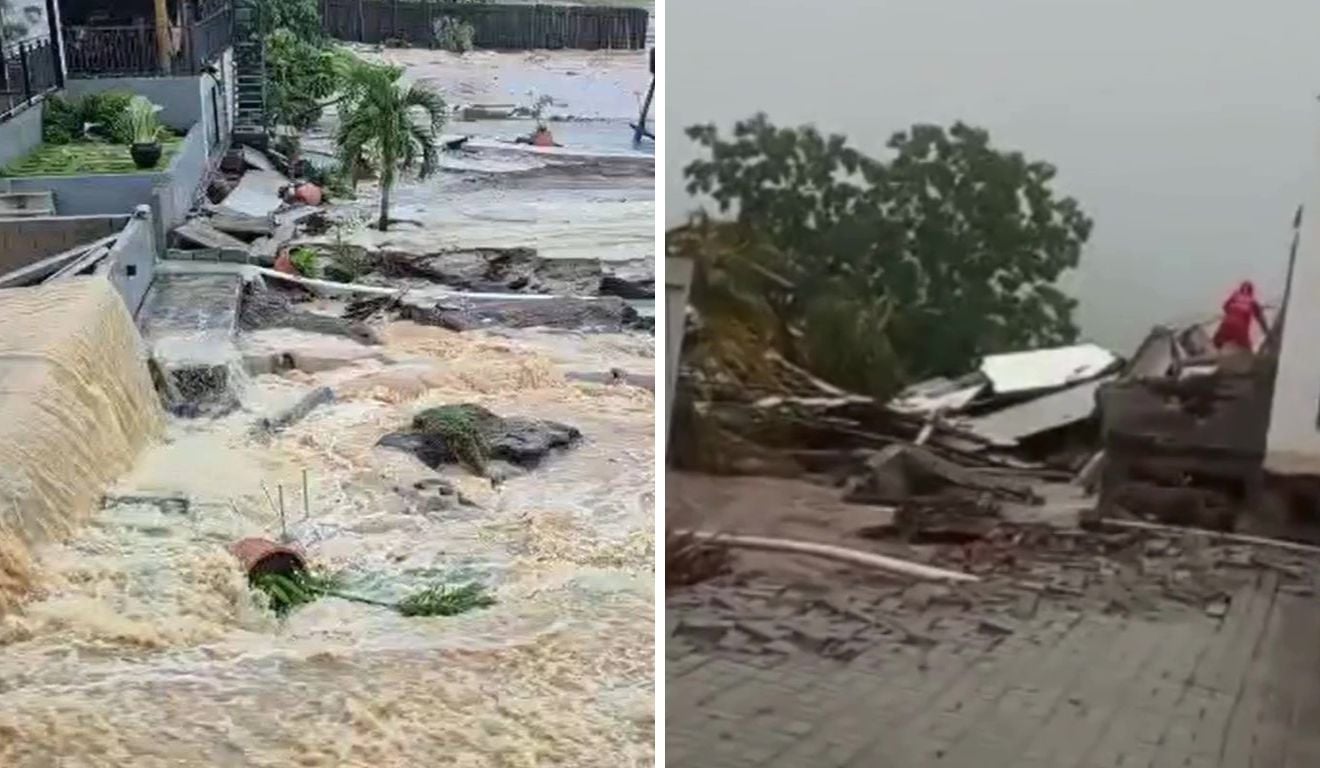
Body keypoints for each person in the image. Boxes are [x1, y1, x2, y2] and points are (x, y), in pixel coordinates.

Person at [1212, 280, 1269, 352]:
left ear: (1240, 290)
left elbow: (1225, 307)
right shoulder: (1253, 302)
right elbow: (1262, 321)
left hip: (1226, 325)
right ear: (1251, 292)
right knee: (1248, 351)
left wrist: (1232, 312)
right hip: (1240, 330)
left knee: (1216, 342)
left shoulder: (1235, 296)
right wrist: (1267, 334)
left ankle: (1216, 353)